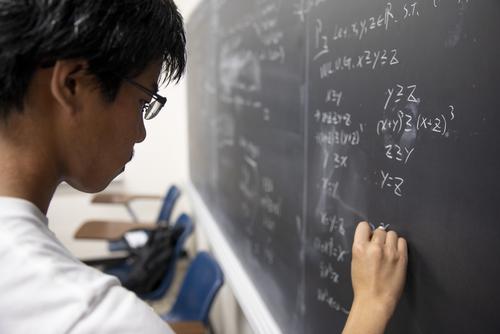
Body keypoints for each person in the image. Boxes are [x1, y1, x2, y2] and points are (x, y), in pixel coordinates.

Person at [0, 0, 407, 333]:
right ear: (72, 83)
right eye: (143, 101)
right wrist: (372, 305)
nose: (141, 133)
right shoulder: (91, 318)